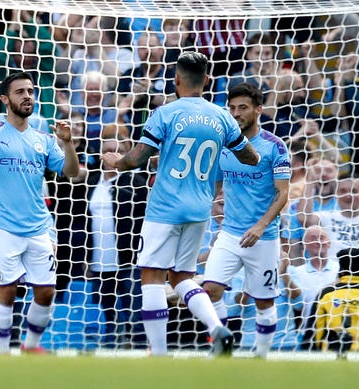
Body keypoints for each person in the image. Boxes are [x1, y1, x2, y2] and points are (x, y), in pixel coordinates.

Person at [101, 51, 260, 356]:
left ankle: (158, 353)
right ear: (208, 80)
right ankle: (217, 328)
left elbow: (137, 158)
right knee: (182, 277)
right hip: (200, 208)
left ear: (175, 80)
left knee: (151, 275)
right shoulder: (222, 117)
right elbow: (250, 157)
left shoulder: (166, 113)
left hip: (165, 207)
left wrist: (115, 161)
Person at [0, 71, 79, 354]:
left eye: (30, 91)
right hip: (3, 227)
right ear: (5, 99)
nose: (28, 96)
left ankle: (30, 347)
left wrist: (68, 143)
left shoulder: (43, 138)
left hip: (38, 226)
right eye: (20, 92)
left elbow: (72, 172)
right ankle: (2, 353)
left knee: (46, 291)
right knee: (7, 290)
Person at [202, 83, 291, 359]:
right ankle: (222, 347)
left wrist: (261, 225)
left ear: (258, 110)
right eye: (232, 108)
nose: (237, 113)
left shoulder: (275, 146)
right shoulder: (224, 144)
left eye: (243, 107)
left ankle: (261, 357)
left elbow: (283, 193)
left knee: (264, 301)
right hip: (229, 233)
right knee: (211, 290)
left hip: (263, 237)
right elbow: (214, 185)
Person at [84, 134, 148, 348]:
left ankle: (141, 351)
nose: (112, 154)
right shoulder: (92, 182)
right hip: (99, 260)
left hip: (128, 260)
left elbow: (143, 221)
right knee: (108, 314)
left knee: (134, 313)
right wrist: (86, 258)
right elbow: (84, 221)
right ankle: (110, 351)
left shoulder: (135, 182)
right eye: (108, 149)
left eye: (118, 150)